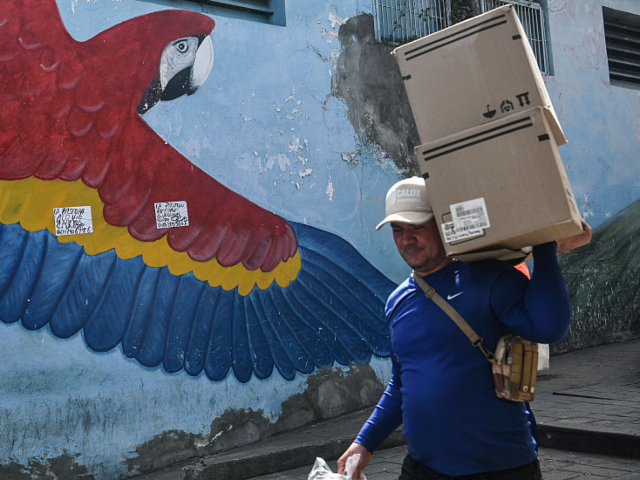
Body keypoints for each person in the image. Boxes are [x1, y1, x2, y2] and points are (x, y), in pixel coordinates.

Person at [337, 176, 592, 480]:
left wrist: (545, 245)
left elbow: (549, 327)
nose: (406, 239)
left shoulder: (490, 279)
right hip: (423, 469)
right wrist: (364, 442)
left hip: (501, 468)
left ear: (443, 224)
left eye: (417, 226)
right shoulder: (398, 301)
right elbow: (401, 383)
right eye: (397, 229)